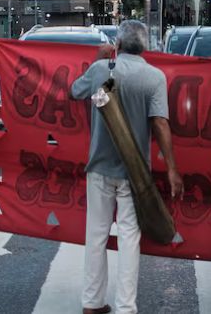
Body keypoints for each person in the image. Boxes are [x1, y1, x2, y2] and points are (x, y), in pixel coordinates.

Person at [71, 20, 182, 314]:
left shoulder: (99, 70)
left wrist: (98, 59)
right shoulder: (154, 77)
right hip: (135, 171)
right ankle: (125, 307)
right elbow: (160, 123)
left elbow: (74, 91)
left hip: (99, 167)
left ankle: (92, 302)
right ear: (145, 47)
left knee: (96, 235)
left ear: (117, 45)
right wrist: (171, 168)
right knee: (130, 238)